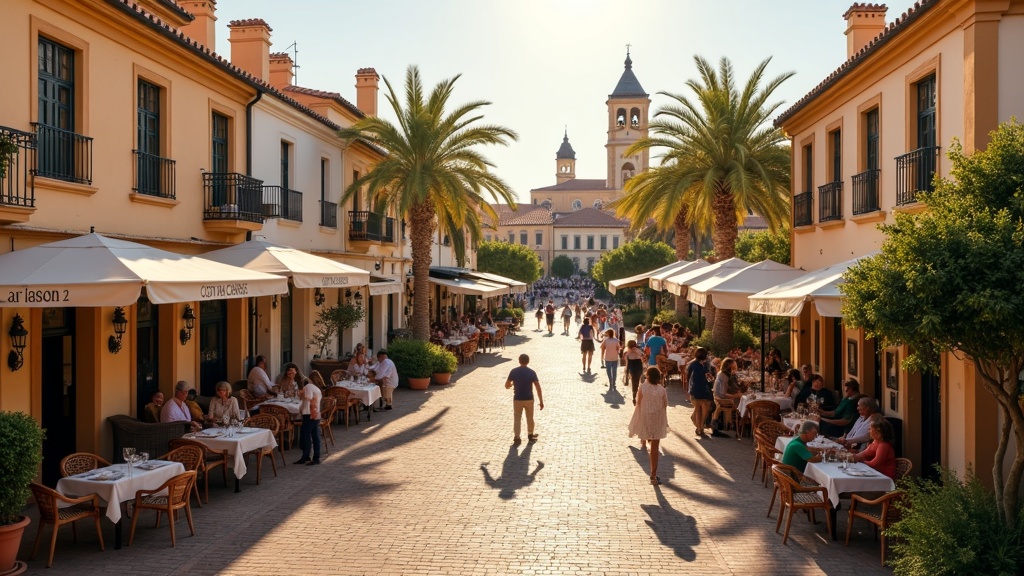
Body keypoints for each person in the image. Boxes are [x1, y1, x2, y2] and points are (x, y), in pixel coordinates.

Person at [627, 366, 669, 485]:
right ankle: (653, 475)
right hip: (657, 420)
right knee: (655, 448)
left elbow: (639, 403)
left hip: (646, 418)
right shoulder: (662, 389)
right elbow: (665, 404)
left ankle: (644, 441)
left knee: (648, 439)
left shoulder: (643, 387)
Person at [504, 354, 544, 445]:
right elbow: (538, 386)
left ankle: (517, 437)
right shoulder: (532, 372)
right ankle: (530, 434)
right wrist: (541, 401)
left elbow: (506, 385)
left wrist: (510, 385)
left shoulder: (514, 371)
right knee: (530, 417)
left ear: (519, 361)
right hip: (529, 398)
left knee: (517, 418)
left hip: (517, 398)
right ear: (528, 361)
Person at [295, 375, 323, 465]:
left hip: (309, 414)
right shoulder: (316, 389)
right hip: (315, 413)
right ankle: (315, 457)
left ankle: (306, 456)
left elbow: (309, 399)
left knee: (306, 436)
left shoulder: (308, 387)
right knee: (315, 436)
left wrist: (301, 394)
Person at [686, 347, 714, 439]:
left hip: (700, 389)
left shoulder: (699, 364)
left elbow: (688, 377)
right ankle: (700, 427)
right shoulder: (700, 364)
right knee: (701, 410)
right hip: (701, 389)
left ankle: (699, 427)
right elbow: (689, 376)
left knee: (701, 410)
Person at [712, 358, 744, 435]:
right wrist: (735, 395)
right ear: (729, 366)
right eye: (734, 365)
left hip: (717, 396)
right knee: (742, 401)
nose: (736, 367)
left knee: (741, 398)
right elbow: (723, 393)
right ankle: (741, 424)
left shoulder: (722, 373)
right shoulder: (724, 376)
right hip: (721, 399)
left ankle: (736, 423)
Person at [623, 340, 645, 405]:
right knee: (634, 381)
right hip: (633, 366)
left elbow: (642, 355)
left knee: (636, 381)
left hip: (637, 366)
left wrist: (636, 350)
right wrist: (630, 351)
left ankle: (635, 394)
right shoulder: (627, 351)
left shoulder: (637, 350)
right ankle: (634, 395)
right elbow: (625, 358)